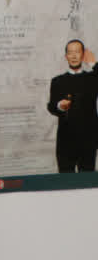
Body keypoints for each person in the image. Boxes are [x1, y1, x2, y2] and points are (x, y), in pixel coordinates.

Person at [47, 39, 98, 172]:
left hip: (88, 141)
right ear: (66, 56)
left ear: (83, 55)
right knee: (65, 181)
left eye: (77, 52)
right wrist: (60, 106)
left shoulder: (92, 79)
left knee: (87, 181)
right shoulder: (57, 81)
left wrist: (93, 63)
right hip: (65, 142)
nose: (74, 56)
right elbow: (51, 106)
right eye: (70, 52)